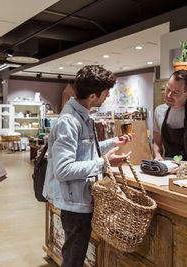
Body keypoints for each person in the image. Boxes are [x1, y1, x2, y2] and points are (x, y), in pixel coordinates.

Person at [42, 65, 134, 267]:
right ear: (93, 95)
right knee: (73, 259)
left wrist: (113, 143)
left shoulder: (82, 116)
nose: (107, 97)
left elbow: (84, 151)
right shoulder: (69, 121)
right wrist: (104, 163)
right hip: (75, 205)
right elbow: (63, 170)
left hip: (80, 199)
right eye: (106, 94)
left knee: (75, 256)